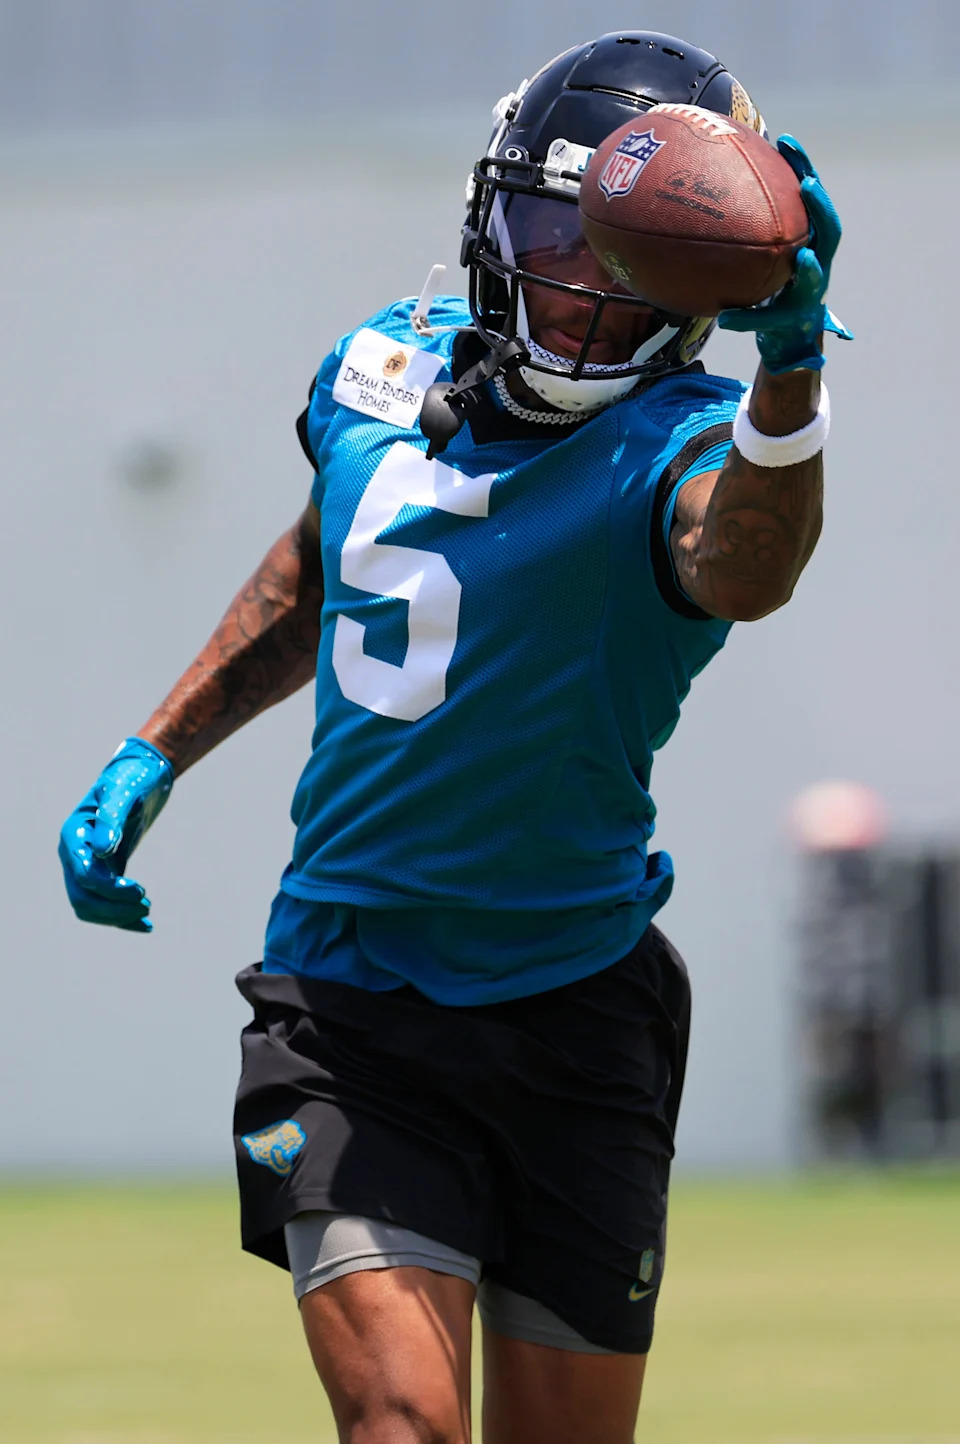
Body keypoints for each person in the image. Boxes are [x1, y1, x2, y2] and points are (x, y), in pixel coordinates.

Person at [59, 30, 849, 1444]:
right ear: (494, 217)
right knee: (404, 1432)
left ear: (700, 286)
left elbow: (746, 567)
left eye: (629, 255)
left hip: (577, 1004)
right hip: (352, 1005)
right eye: (556, 229)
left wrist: (791, 375)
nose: (582, 286)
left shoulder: (686, 441)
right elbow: (326, 561)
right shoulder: (377, 366)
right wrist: (154, 751)